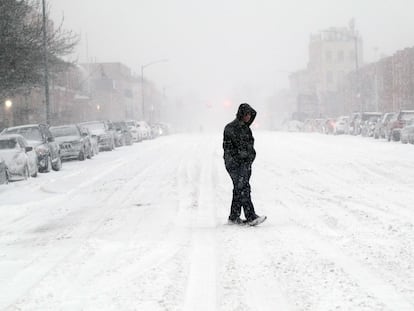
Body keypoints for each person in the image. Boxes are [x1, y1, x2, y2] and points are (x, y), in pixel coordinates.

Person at [223, 103, 266, 226]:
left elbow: (250, 146)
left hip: (245, 164)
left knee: (239, 188)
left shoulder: (246, 129)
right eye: (246, 114)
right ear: (241, 114)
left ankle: (233, 217)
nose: (248, 117)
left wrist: (250, 157)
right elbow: (228, 148)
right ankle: (250, 216)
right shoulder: (230, 128)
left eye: (250, 115)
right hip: (234, 165)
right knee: (243, 188)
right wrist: (238, 159)